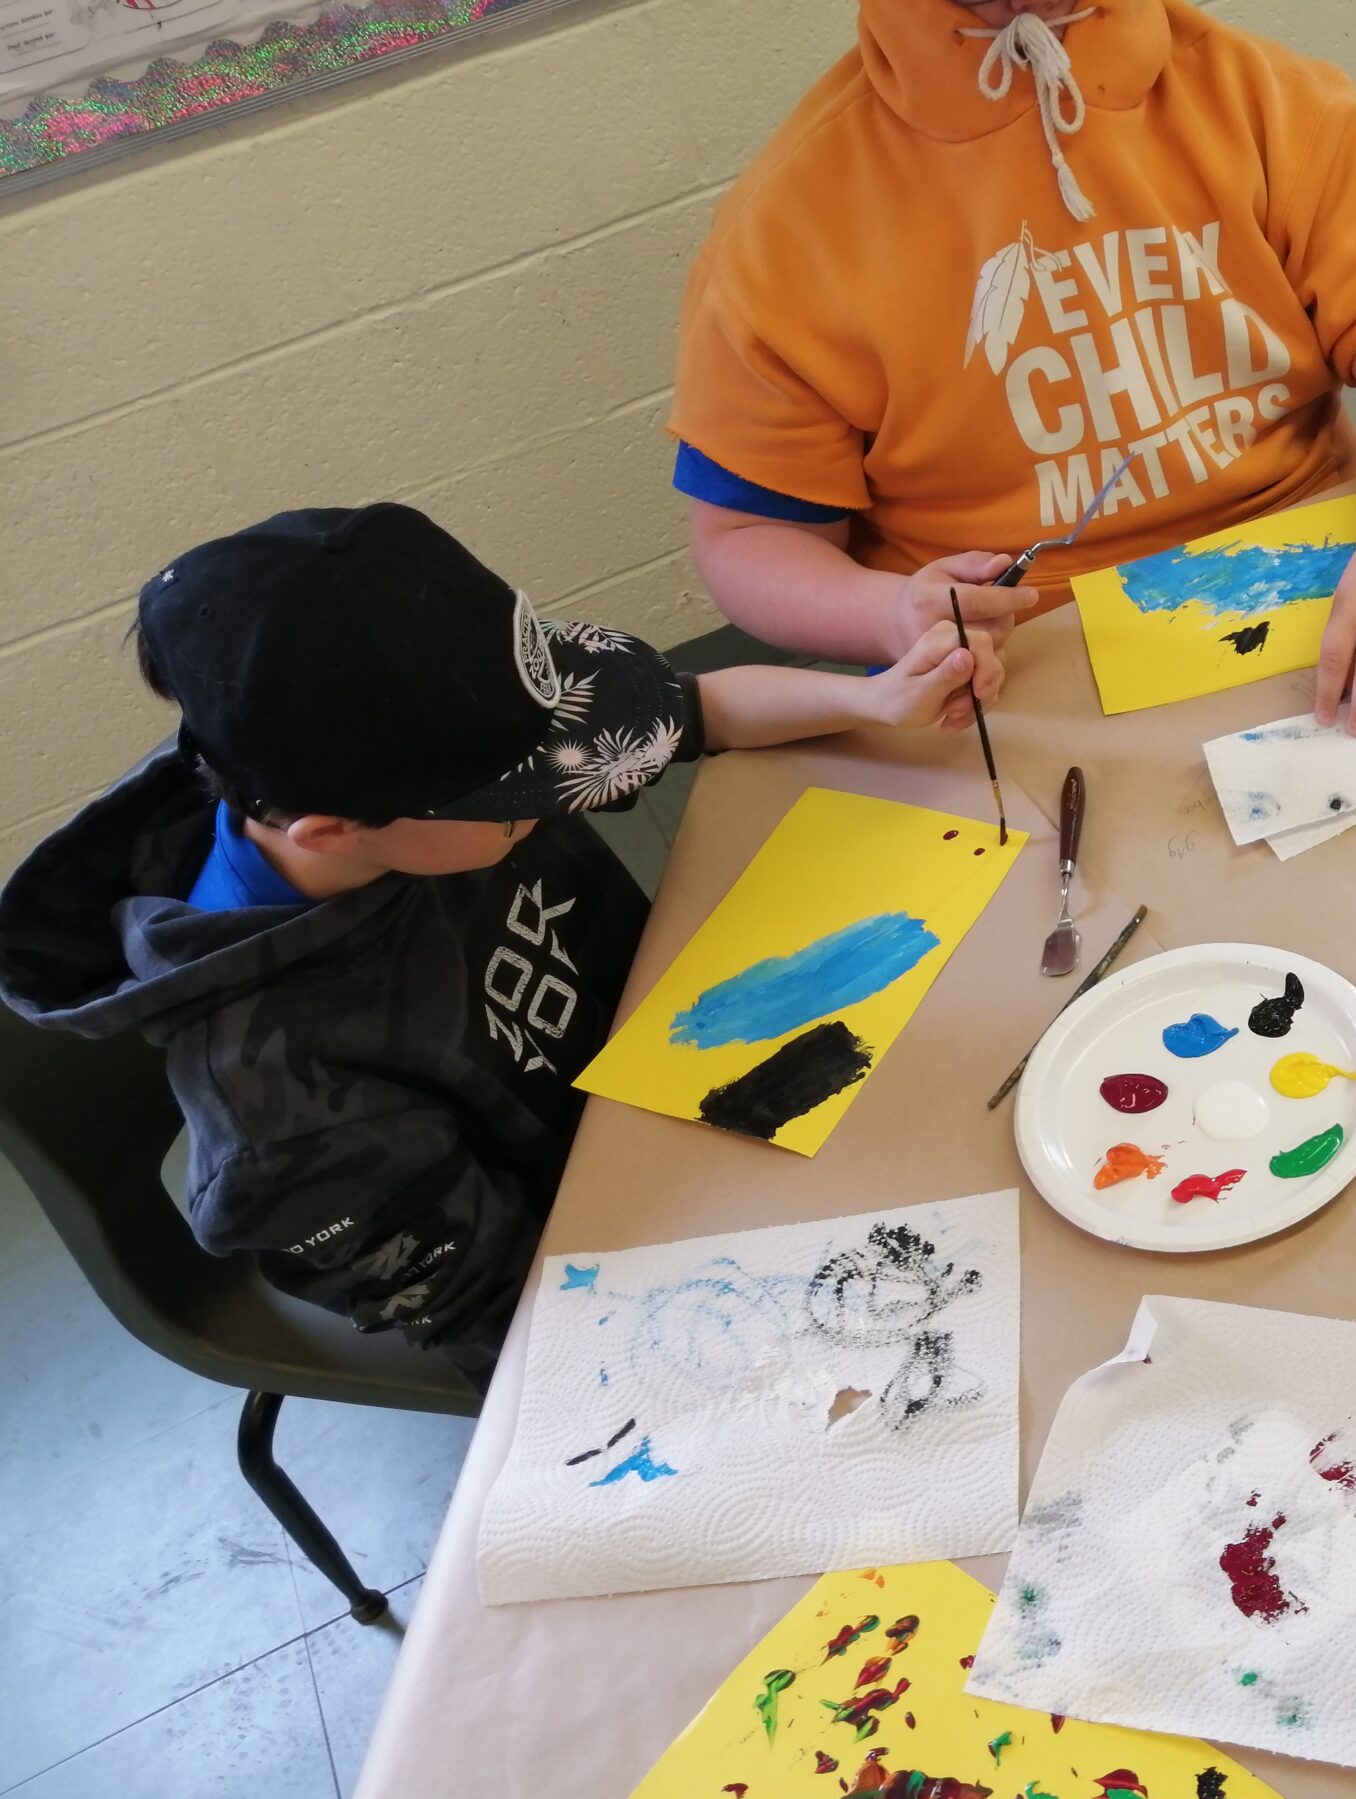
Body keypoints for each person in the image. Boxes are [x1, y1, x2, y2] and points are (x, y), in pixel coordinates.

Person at [0, 504, 978, 1385]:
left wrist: (876, 698)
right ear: (329, 832)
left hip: (685, 1080)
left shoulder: (409, 765)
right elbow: (544, 1330)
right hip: (629, 1258)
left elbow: (691, 710)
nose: (570, 781)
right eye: (521, 794)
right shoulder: (288, 1121)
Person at [669, 0, 1356, 736]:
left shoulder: (1268, 102)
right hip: (1026, 661)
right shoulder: (785, 232)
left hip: (1324, 580)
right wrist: (887, 613)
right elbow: (750, 536)